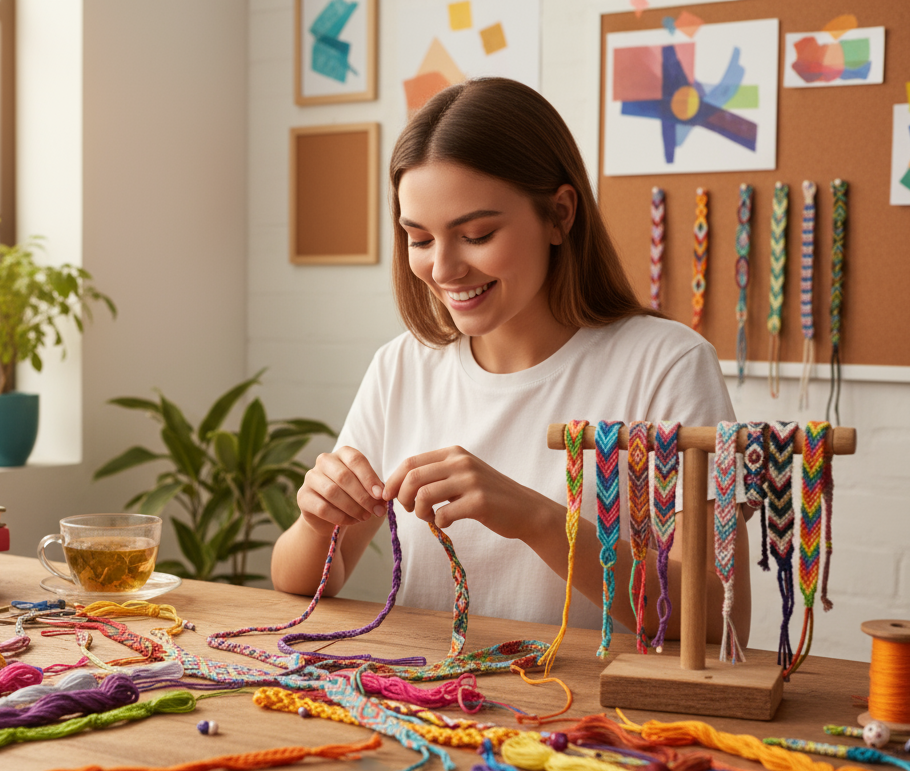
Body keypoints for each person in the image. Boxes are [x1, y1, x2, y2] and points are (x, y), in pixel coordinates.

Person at [270, 78, 748, 648]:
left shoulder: (668, 365)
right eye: (418, 239)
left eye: (476, 234)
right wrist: (317, 521)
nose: (443, 268)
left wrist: (538, 521)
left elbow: (719, 615)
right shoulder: (401, 367)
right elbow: (299, 584)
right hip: (434, 704)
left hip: (593, 721)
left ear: (560, 215)